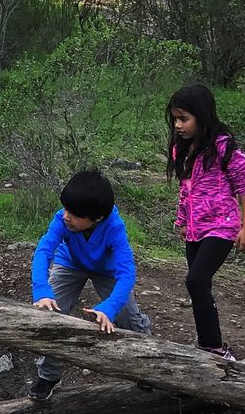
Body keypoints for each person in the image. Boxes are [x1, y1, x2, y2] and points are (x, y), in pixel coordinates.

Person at [27, 169, 152, 401]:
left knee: (128, 318)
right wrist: (42, 290)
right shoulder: (62, 220)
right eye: (65, 209)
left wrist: (110, 306)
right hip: (70, 264)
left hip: (107, 271)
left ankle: (146, 364)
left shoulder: (114, 228)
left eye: (74, 214)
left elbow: (126, 274)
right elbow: (43, 251)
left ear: (97, 218)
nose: (66, 216)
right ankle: (49, 376)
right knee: (52, 314)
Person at [167, 83, 245, 361]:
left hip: (222, 226)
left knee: (196, 280)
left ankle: (214, 347)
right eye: (175, 119)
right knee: (199, 285)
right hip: (195, 229)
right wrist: (182, 220)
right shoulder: (180, 149)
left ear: (202, 116)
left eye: (184, 119)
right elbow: (186, 188)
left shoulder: (223, 147)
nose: (178, 125)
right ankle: (208, 343)